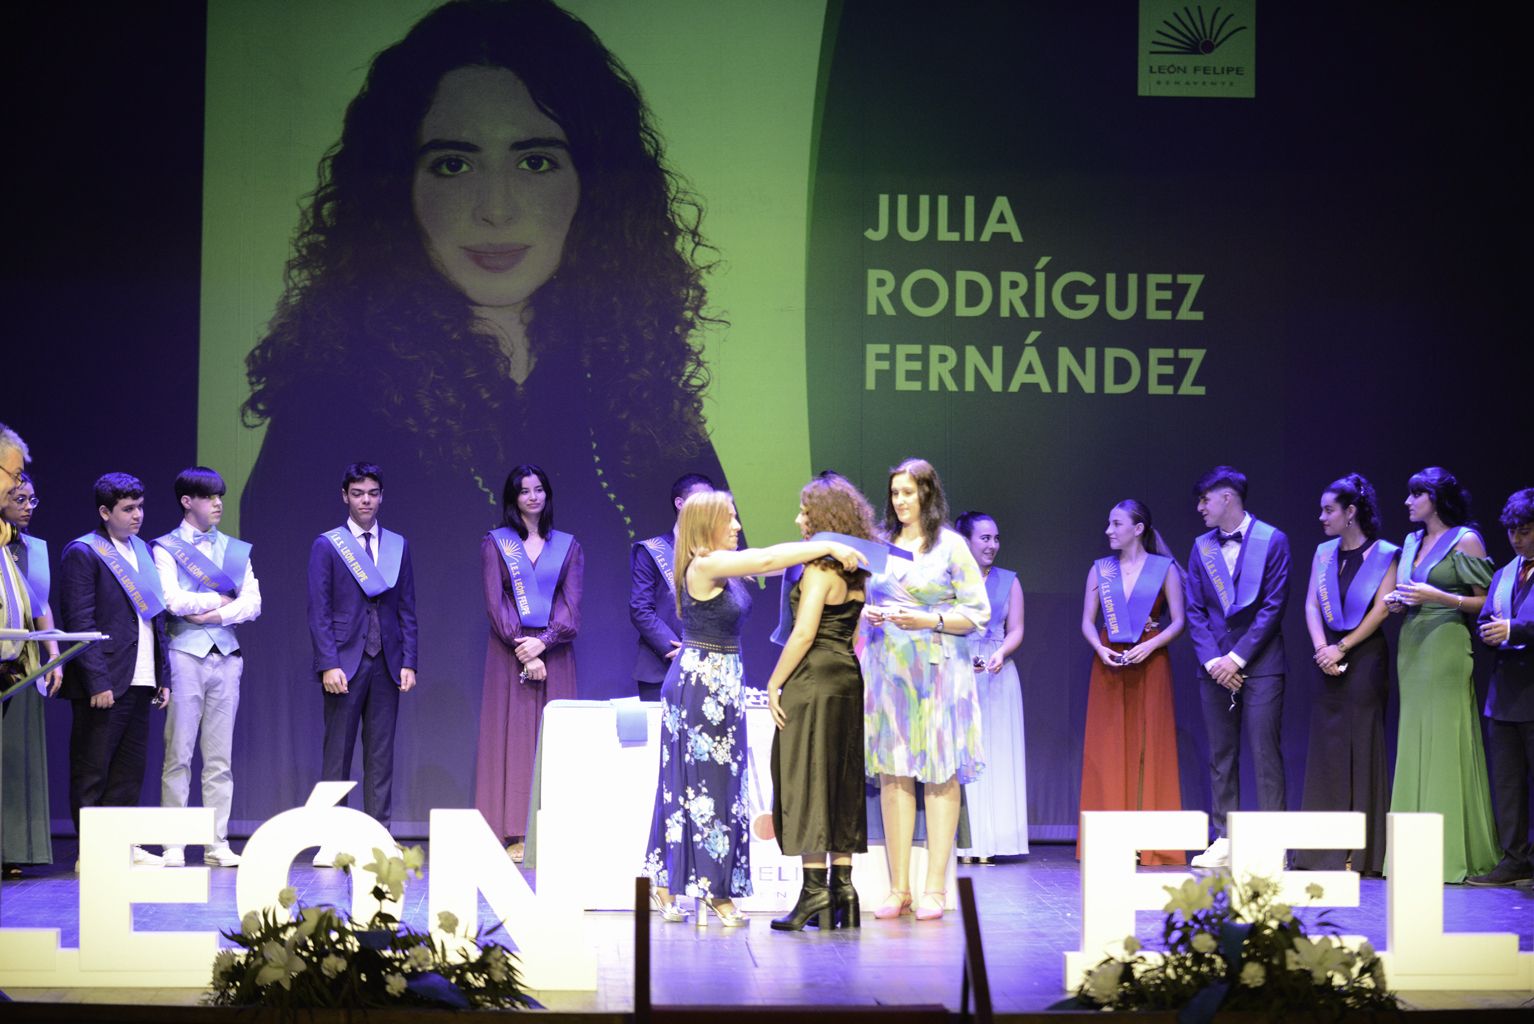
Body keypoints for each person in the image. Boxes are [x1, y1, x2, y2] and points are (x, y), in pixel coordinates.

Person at [237, 2, 740, 815]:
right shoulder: (328, 409)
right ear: (397, 187)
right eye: (453, 164)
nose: (497, 208)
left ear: (593, 184)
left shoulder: (645, 401)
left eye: (537, 161)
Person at [644, 490, 863, 927]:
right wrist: (828, 544)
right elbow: (765, 560)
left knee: (721, 787)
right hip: (699, 682)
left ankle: (669, 878)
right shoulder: (704, 565)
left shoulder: (728, 565)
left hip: (724, 679)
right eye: (730, 519)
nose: (738, 526)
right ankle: (710, 890)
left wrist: (828, 548)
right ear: (707, 525)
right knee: (698, 788)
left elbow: (775, 561)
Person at [861, 458, 989, 921]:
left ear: (927, 495)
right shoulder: (880, 546)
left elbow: (977, 614)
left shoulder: (951, 547)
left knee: (939, 774)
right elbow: (864, 599)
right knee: (894, 776)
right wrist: (869, 615)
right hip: (889, 671)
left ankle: (935, 887)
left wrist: (929, 618)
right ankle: (899, 888)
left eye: (908, 493)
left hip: (938, 673)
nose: (900, 501)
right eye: (894, 493)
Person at [765, 474, 877, 930]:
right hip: (847, 675)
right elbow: (852, 633)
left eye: (804, 512)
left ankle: (814, 892)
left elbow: (805, 632)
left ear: (825, 518)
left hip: (812, 677)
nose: (797, 519)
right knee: (841, 778)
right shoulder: (857, 571)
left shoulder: (818, 570)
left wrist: (775, 682)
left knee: (807, 778)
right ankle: (843, 889)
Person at [151, 467, 262, 868]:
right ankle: (174, 844)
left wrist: (211, 616)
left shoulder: (234, 549)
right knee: (178, 753)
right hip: (184, 655)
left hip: (227, 656)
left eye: (220, 496)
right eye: (209, 496)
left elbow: (253, 603)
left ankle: (217, 843)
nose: (217, 503)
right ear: (187, 501)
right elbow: (171, 599)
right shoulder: (165, 547)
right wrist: (217, 603)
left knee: (220, 758)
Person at [59, 473, 171, 866]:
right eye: (128, 509)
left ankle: (121, 845)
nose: (137, 515)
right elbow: (80, 622)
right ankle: (89, 851)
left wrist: (163, 675)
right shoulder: (84, 552)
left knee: (128, 769)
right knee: (93, 767)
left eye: (140, 506)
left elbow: (156, 618)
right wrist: (97, 681)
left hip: (140, 678)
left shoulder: (142, 550)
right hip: (105, 680)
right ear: (105, 512)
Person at [1183, 466, 1290, 869]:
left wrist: (1237, 658)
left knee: (1265, 753)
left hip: (1260, 664)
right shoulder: (1201, 547)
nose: (1200, 508)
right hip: (1214, 667)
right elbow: (1194, 609)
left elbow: (1273, 606)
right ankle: (1224, 838)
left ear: (1227, 497)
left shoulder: (1272, 539)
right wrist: (1215, 661)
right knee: (1220, 754)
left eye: (1205, 499)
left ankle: (1273, 842)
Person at [474, 464, 582, 863]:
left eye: (539, 489)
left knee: (554, 739)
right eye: (524, 491)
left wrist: (544, 644)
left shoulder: (568, 546)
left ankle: (556, 827)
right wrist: (524, 648)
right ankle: (515, 831)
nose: (533, 496)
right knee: (515, 738)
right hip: (509, 653)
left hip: (555, 654)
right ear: (513, 498)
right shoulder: (496, 543)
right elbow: (494, 602)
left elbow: (571, 608)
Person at [308, 462, 417, 841]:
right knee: (337, 754)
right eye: (357, 493)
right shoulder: (328, 544)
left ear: (381, 496)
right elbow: (318, 610)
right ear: (345, 496)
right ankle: (332, 839)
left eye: (372, 493)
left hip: (387, 661)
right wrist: (328, 663)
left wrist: (409, 661)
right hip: (344, 662)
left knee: (381, 756)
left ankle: (377, 837)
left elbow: (407, 608)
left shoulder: (397, 545)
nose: (365, 500)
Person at [1296, 474, 1396, 875]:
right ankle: (1323, 851)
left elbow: (1383, 608)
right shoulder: (1323, 554)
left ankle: (1363, 852)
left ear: (1351, 512)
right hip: (1328, 657)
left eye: (1329, 510)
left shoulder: (1385, 554)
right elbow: (1310, 606)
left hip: (1364, 657)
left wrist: (1342, 647)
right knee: (1328, 750)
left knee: (1363, 745)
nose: (1322, 517)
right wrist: (1323, 648)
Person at [1078, 499, 1186, 865]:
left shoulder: (1164, 568)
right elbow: (1087, 622)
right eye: (1109, 524)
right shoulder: (1100, 570)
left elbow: (1178, 621)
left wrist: (1150, 646)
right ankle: (1112, 840)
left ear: (1138, 528)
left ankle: (1149, 841)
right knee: (1109, 746)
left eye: (1116, 523)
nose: (1109, 531)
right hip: (1109, 660)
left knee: (1149, 746)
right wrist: (1099, 648)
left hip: (1150, 659)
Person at [954, 510, 1028, 864]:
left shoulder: (1008, 580)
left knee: (994, 753)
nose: (993, 545)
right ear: (965, 541)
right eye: (985, 538)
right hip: (958, 670)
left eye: (996, 538)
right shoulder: (949, 579)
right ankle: (964, 844)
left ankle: (994, 842)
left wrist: (1000, 653)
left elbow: (1016, 629)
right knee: (962, 755)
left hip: (997, 672)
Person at [1471, 488, 1534, 887]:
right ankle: (1515, 859)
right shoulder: (1504, 573)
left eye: (1524, 530)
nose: (1516, 538)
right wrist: (1491, 632)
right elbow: (1491, 616)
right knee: (1508, 784)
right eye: (1512, 531)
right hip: (1506, 691)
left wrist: (1512, 628)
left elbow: (1514, 624)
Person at [3, 470, 61, 872]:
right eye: (19, 498)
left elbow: (40, 606)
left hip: (25, 663)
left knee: (20, 757)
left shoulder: (33, 548)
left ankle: (17, 851)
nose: (27, 507)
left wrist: (52, 654)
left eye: (31, 499)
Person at [631, 473, 715, 703]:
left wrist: (696, 648)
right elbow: (641, 610)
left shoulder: (721, 553)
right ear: (680, 503)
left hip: (709, 665)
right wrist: (679, 651)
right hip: (661, 665)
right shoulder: (650, 551)